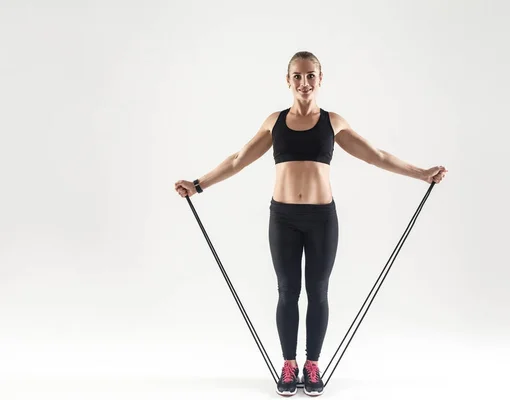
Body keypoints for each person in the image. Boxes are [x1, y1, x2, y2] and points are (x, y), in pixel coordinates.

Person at [175, 51, 447, 397]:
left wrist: (422, 173)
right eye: (298, 76)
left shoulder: (333, 122)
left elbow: (376, 155)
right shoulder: (274, 122)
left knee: (318, 292)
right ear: (288, 81)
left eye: (311, 76)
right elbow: (238, 159)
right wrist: (198, 185)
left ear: (321, 79)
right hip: (283, 218)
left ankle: (312, 365)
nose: (305, 83)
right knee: (288, 292)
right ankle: (289, 365)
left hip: (321, 218)